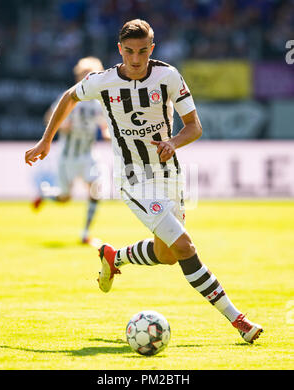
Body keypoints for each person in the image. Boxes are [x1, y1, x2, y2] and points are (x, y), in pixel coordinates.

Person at [25, 19, 263, 343]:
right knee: (184, 247)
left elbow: (194, 126)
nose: (135, 59)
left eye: (142, 51)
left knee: (166, 254)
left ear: (152, 48)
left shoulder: (168, 76)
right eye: (129, 52)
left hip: (170, 175)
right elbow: (69, 96)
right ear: (119, 49)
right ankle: (239, 320)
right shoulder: (104, 81)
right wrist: (46, 140)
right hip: (134, 179)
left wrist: (173, 142)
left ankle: (115, 256)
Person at [32, 56, 110, 244]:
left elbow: (104, 126)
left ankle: (85, 234)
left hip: (88, 155)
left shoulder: (99, 103)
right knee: (64, 198)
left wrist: (108, 135)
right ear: (78, 77)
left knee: (96, 189)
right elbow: (49, 117)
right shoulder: (69, 97)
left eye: (92, 75)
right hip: (67, 157)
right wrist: (62, 126)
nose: (88, 78)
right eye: (85, 74)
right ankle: (45, 194)